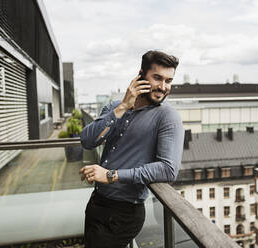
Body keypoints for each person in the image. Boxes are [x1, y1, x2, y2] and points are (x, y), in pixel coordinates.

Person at [79, 50, 184, 248]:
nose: (163, 87)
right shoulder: (115, 106)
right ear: (141, 76)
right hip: (97, 202)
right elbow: (88, 141)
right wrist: (123, 106)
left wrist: (111, 175)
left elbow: (168, 170)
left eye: (168, 81)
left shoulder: (168, 117)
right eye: (157, 78)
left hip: (124, 213)